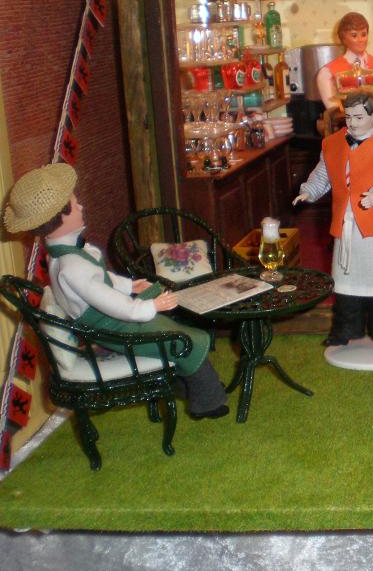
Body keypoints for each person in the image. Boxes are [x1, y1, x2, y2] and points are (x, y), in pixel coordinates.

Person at [2, 163, 228, 419]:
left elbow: (100, 281)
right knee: (183, 339)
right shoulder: (71, 266)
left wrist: (130, 285)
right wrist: (148, 307)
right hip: (113, 326)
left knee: (172, 320)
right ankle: (208, 401)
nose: (81, 207)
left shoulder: (64, 256)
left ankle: (189, 385)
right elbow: (110, 302)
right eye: (75, 205)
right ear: (58, 218)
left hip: (109, 319)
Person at [293, 92, 373, 348]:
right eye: (348, 117)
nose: (353, 123)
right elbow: (323, 174)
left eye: (359, 117)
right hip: (344, 222)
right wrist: (309, 191)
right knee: (345, 278)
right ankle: (345, 329)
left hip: (372, 225)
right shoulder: (333, 144)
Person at [316, 12, 373, 116]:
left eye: (364, 34)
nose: (360, 40)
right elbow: (335, 114)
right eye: (354, 35)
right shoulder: (328, 73)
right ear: (343, 38)